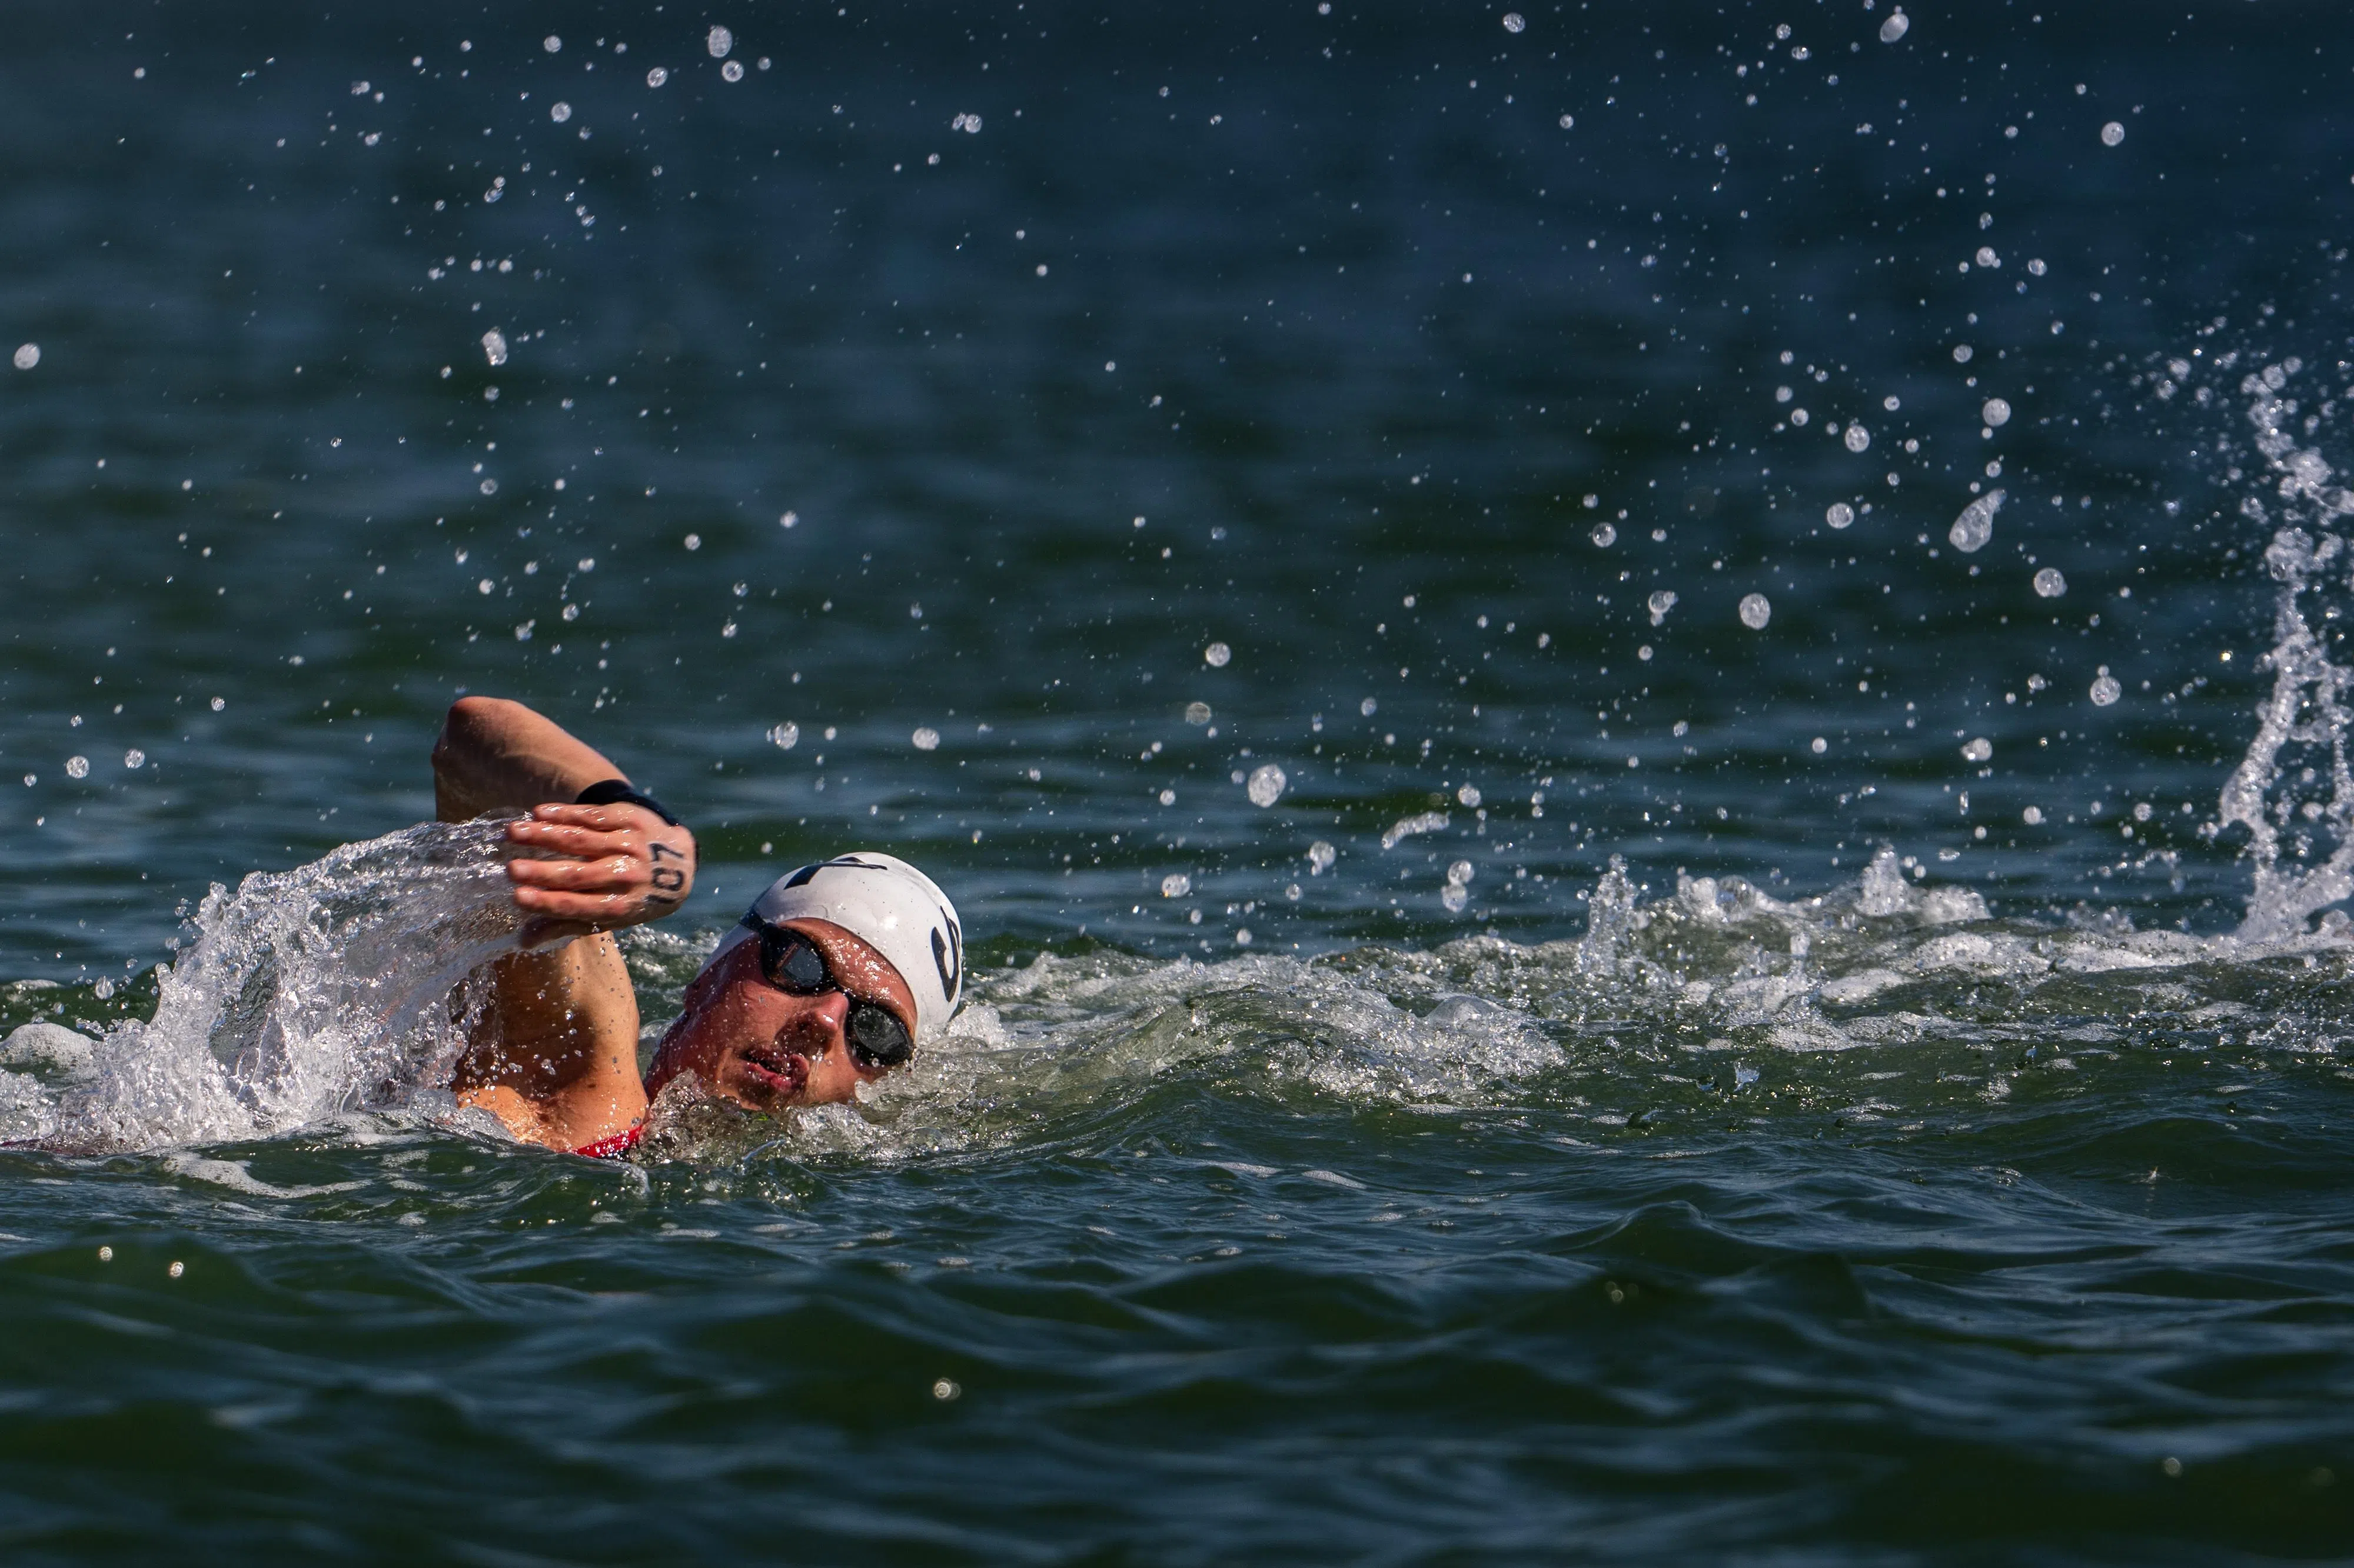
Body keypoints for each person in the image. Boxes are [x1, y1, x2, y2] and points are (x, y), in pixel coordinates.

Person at [431, 697, 964, 1157]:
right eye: (803, 964)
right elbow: (466, 740)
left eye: (876, 1031)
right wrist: (638, 822)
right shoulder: (574, 1074)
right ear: (709, 975)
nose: (825, 1021)